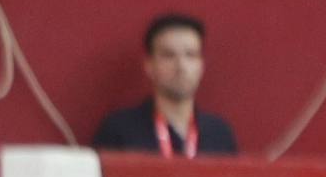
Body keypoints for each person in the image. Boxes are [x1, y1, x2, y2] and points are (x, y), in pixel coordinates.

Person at [92, 12, 238, 158]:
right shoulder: (119, 130)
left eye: (191, 55)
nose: (181, 66)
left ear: (201, 65)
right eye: (168, 55)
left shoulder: (219, 134)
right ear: (149, 65)